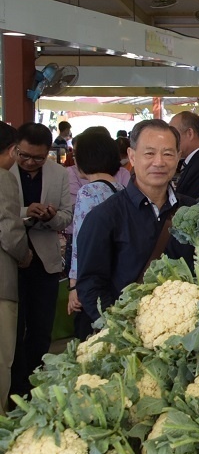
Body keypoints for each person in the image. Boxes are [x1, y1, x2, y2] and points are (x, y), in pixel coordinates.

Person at [75, 119, 199, 328]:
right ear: (132, 156)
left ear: (179, 157)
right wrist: (118, 329)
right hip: (127, 336)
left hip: (184, 335)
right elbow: (90, 284)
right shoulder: (105, 216)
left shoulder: (192, 210)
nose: (159, 162)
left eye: (168, 154)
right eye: (149, 153)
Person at [8, 123, 73, 396]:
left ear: (49, 152)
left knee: (40, 327)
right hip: (11, 259)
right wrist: (25, 211)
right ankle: (14, 385)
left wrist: (50, 216)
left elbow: (68, 215)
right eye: (24, 155)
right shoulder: (4, 170)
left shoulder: (59, 173)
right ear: (15, 149)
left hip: (45, 261)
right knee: (13, 328)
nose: (29, 162)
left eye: (37, 157)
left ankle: (35, 383)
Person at [66, 127, 126, 338]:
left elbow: (80, 243)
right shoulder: (121, 189)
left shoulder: (88, 192)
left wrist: (74, 287)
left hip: (92, 280)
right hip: (116, 277)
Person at [0, 123, 32, 409]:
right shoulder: (4, 178)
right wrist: (25, 256)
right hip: (1, 285)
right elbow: (9, 231)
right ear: (11, 151)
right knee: (1, 357)